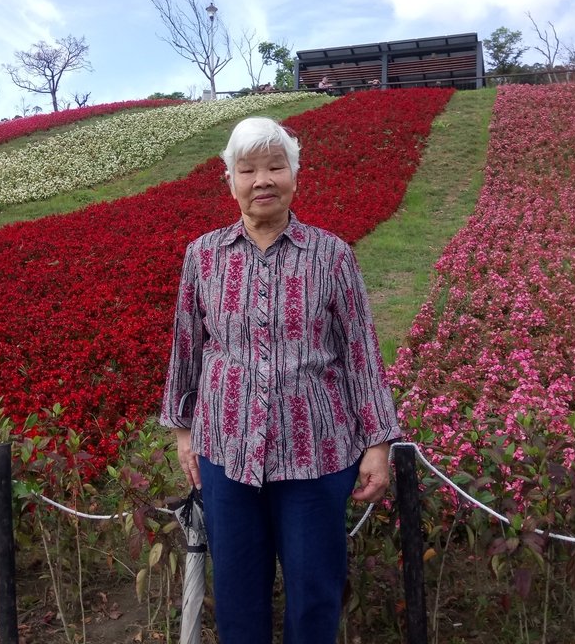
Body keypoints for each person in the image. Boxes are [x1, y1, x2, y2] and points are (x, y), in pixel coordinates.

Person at [160, 117, 400, 644]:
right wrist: (184, 432)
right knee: (238, 592)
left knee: (316, 591)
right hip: (227, 451)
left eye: (275, 166)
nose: (262, 180)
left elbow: (360, 350)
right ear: (231, 180)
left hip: (316, 451)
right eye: (248, 169)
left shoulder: (331, 255)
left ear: (295, 175)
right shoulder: (203, 256)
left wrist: (377, 443)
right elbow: (186, 345)